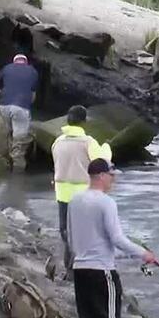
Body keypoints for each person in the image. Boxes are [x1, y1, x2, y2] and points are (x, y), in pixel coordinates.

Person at [68, 158, 159, 318]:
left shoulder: (74, 200)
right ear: (101, 176)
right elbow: (117, 239)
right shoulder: (106, 202)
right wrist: (144, 253)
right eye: (111, 175)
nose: (113, 179)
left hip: (80, 272)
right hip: (103, 273)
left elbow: (72, 239)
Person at [52, 105, 112, 280]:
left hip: (62, 192)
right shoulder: (88, 142)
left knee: (65, 230)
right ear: (84, 122)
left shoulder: (58, 142)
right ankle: (78, 268)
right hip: (82, 194)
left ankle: (69, 268)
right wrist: (107, 147)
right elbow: (102, 162)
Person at [0, 53, 39, 172]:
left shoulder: (6, 68)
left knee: (7, 134)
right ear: (25, 62)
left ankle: (3, 163)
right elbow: (33, 96)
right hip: (21, 107)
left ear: (14, 61)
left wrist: (2, 94)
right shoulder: (33, 72)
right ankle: (17, 172)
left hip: (4, 106)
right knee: (19, 141)